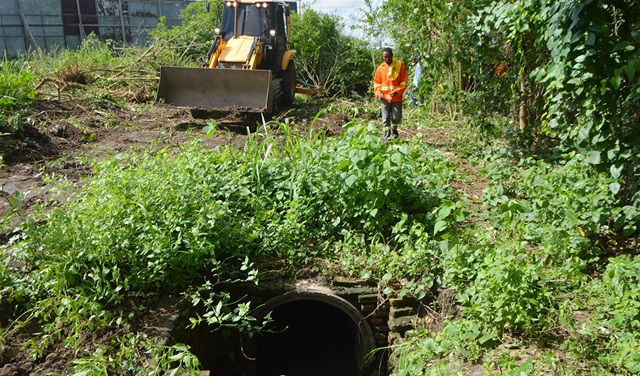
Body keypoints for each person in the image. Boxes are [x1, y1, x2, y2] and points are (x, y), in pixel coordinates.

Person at [373, 48, 408, 140]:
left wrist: (397, 91)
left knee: (396, 118)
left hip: (396, 98)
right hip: (384, 98)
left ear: (392, 55)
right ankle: (387, 138)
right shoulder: (380, 68)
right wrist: (378, 93)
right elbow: (377, 83)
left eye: (389, 57)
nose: (387, 59)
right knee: (385, 119)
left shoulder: (400, 65)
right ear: (382, 57)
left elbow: (404, 81)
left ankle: (394, 129)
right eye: (385, 57)